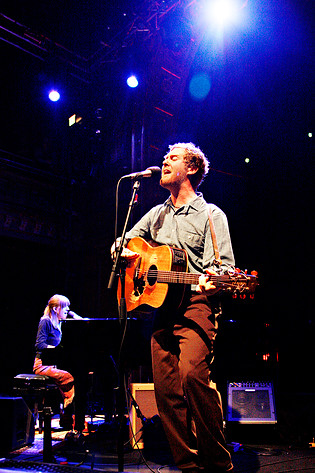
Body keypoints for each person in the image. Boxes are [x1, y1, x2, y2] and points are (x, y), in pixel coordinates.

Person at [112, 143, 235, 472]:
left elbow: (222, 270)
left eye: (174, 158)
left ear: (191, 168)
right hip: (162, 309)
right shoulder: (156, 214)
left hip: (197, 304)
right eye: (165, 157)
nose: (165, 160)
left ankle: (219, 464)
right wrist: (122, 252)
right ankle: (188, 466)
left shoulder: (211, 215)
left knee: (193, 377)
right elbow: (125, 241)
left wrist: (214, 281)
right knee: (166, 390)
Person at [33, 294, 82, 430]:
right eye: (65, 307)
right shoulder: (45, 321)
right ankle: (68, 410)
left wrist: (77, 317)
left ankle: (67, 418)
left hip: (53, 364)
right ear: (56, 309)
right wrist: (56, 351)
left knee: (73, 378)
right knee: (68, 377)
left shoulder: (60, 323)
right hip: (41, 365)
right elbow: (40, 345)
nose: (67, 309)